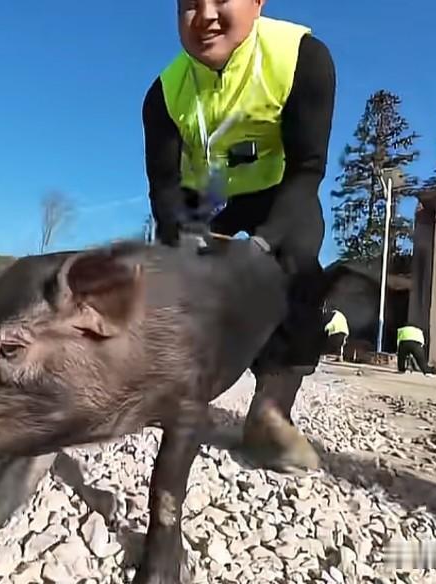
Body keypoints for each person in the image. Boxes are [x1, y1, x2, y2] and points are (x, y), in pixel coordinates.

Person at [143, 0, 336, 473]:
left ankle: (271, 412)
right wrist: (185, 240)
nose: (204, 14)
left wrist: (264, 242)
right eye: (189, 3)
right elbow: (165, 190)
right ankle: (165, 389)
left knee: (301, 262)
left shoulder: (302, 58)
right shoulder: (163, 94)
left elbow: (308, 167)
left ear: (257, 3)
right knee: (172, 277)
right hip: (203, 197)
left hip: (277, 190)